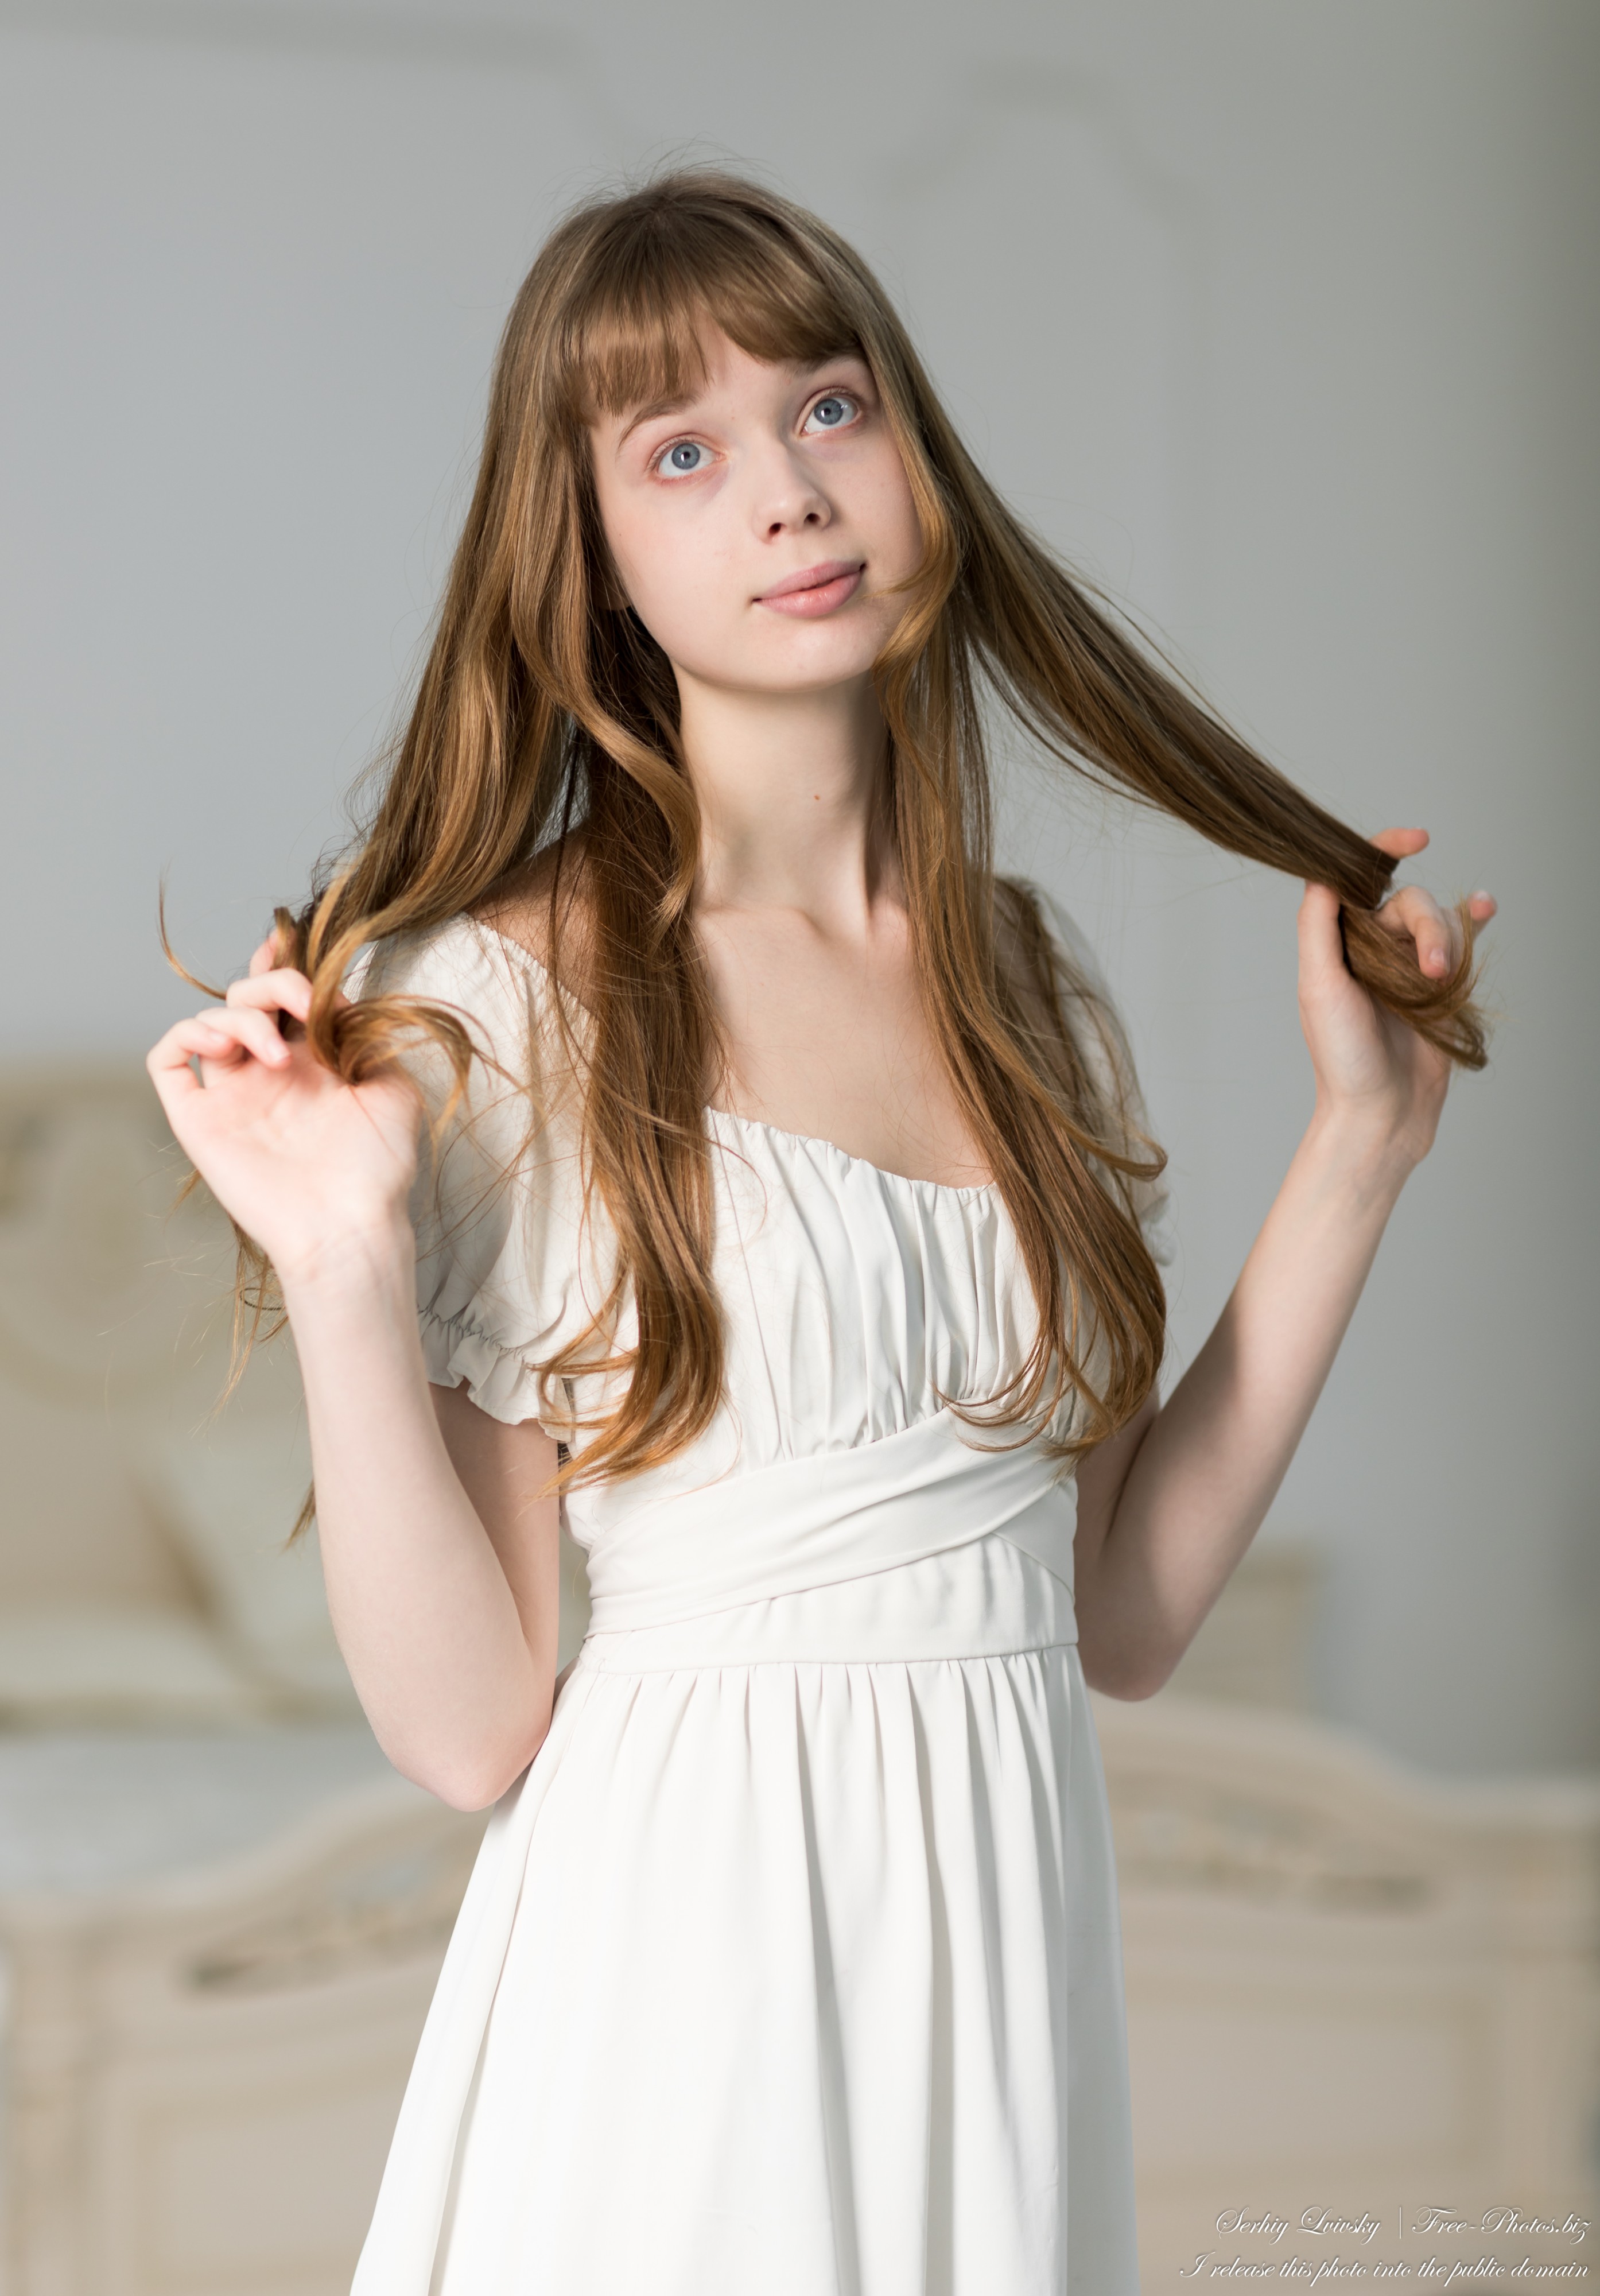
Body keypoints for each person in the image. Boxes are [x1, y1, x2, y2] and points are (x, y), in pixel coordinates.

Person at [146, 169, 1494, 2296]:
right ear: (587, 559)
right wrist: (339, 1256)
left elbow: (1118, 1613)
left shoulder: (1027, 989)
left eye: (829, 407)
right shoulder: (498, 1002)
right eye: (680, 452)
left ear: (917, 462)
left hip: (999, 1959)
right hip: (678, 1984)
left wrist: (1359, 1150)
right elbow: (470, 1727)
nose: (787, 491)